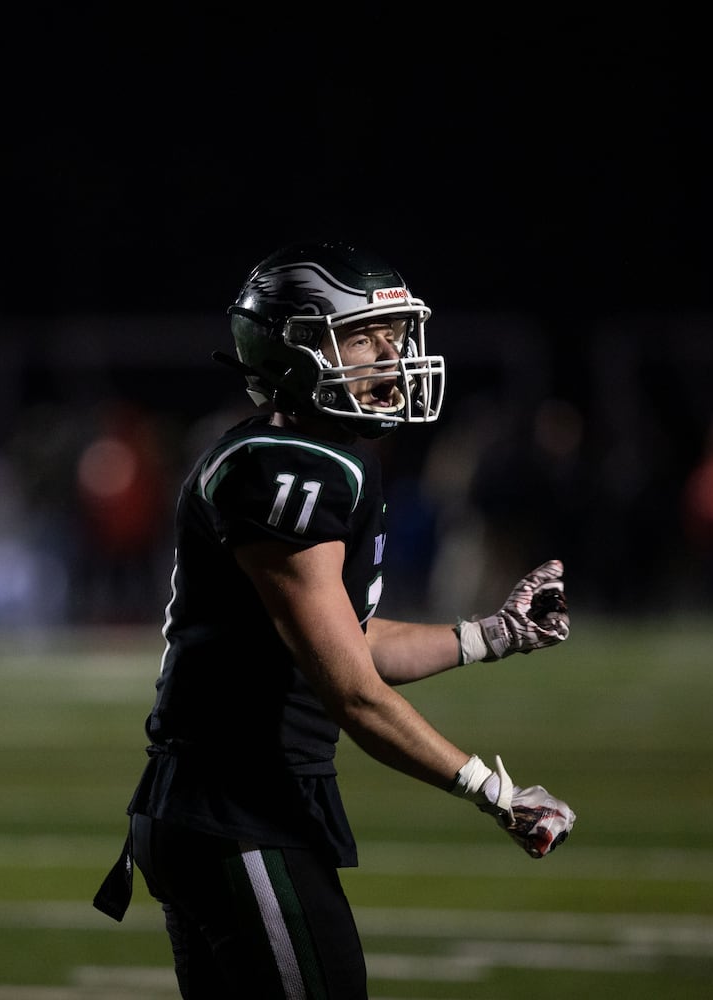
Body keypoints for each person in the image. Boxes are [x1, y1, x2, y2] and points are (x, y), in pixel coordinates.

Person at [93, 239, 577, 999]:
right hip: (241, 814)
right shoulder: (288, 467)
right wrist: (495, 793)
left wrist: (494, 635)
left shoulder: (313, 456)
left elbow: (345, 642)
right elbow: (349, 691)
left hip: (216, 812)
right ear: (290, 353)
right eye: (362, 338)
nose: (390, 358)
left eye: (394, 336)